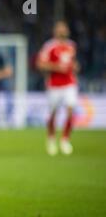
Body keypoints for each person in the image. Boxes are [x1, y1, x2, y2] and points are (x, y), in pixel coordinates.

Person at [36, 21, 78, 156]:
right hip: (54, 84)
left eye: (64, 28)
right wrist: (56, 67)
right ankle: (51, 138)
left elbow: (72, 63)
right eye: (60, 29)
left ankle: (65, 139)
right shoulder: (49, 46)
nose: (62, 31)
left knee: (71, 111)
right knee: (53, 113)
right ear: (55, 31)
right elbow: (40, 64)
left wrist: (75, 67)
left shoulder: (71, 46)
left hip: (70, 83)